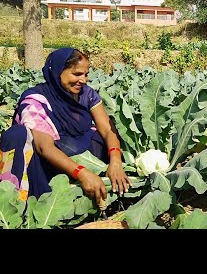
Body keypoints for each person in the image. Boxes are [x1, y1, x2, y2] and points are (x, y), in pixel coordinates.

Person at [0, 48, 132, 204]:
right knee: (17, 134)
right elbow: (44, 147)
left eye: (86, 74)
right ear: (57, 72)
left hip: (83, 158)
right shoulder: (35, 100)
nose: (83, 80)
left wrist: (115, 161)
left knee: (99, 135)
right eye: (77, 74)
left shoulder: (86, 94)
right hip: (50, 164)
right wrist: (82, 173)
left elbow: (107, 129)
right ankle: (28, 200)